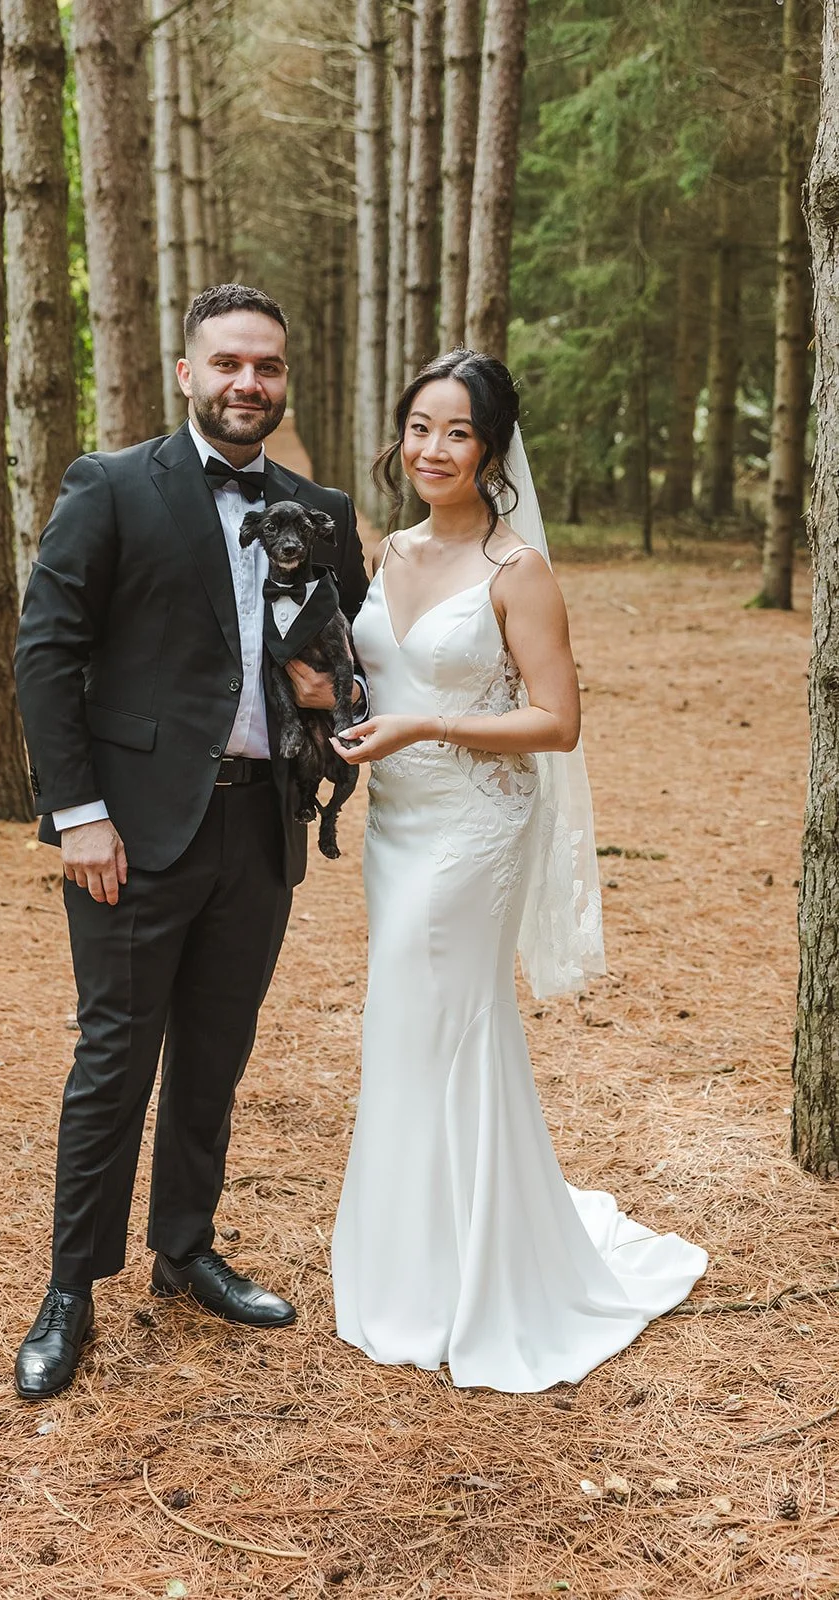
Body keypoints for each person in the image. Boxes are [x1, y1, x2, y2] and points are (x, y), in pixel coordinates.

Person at [13, 283, 369, 1400]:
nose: (245, 383)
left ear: (283, 380)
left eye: (263, 365)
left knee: (214, 1055)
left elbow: (345, 666)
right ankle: (72, 1285)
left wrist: (330, 694)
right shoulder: (113, 486)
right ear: (186, 373)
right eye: (225, 364)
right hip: (128, 833)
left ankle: (185, 1248)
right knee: (113, 1062)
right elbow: (45, 651)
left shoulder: (323, 507)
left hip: (259, 827)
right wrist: (78, 815)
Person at [330, 349, 707, 1392]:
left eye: (454, 431)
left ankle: (472, 1280)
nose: (430, 449)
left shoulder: (515, 569)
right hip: (395, 825)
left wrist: (424, 724)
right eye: (417, 427)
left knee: (437, 1020)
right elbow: (368, 674)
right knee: (402, 1025)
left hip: (471, 827)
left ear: (490, 448)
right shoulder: (385, 551)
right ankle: (410, 1259)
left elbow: (557, 719)